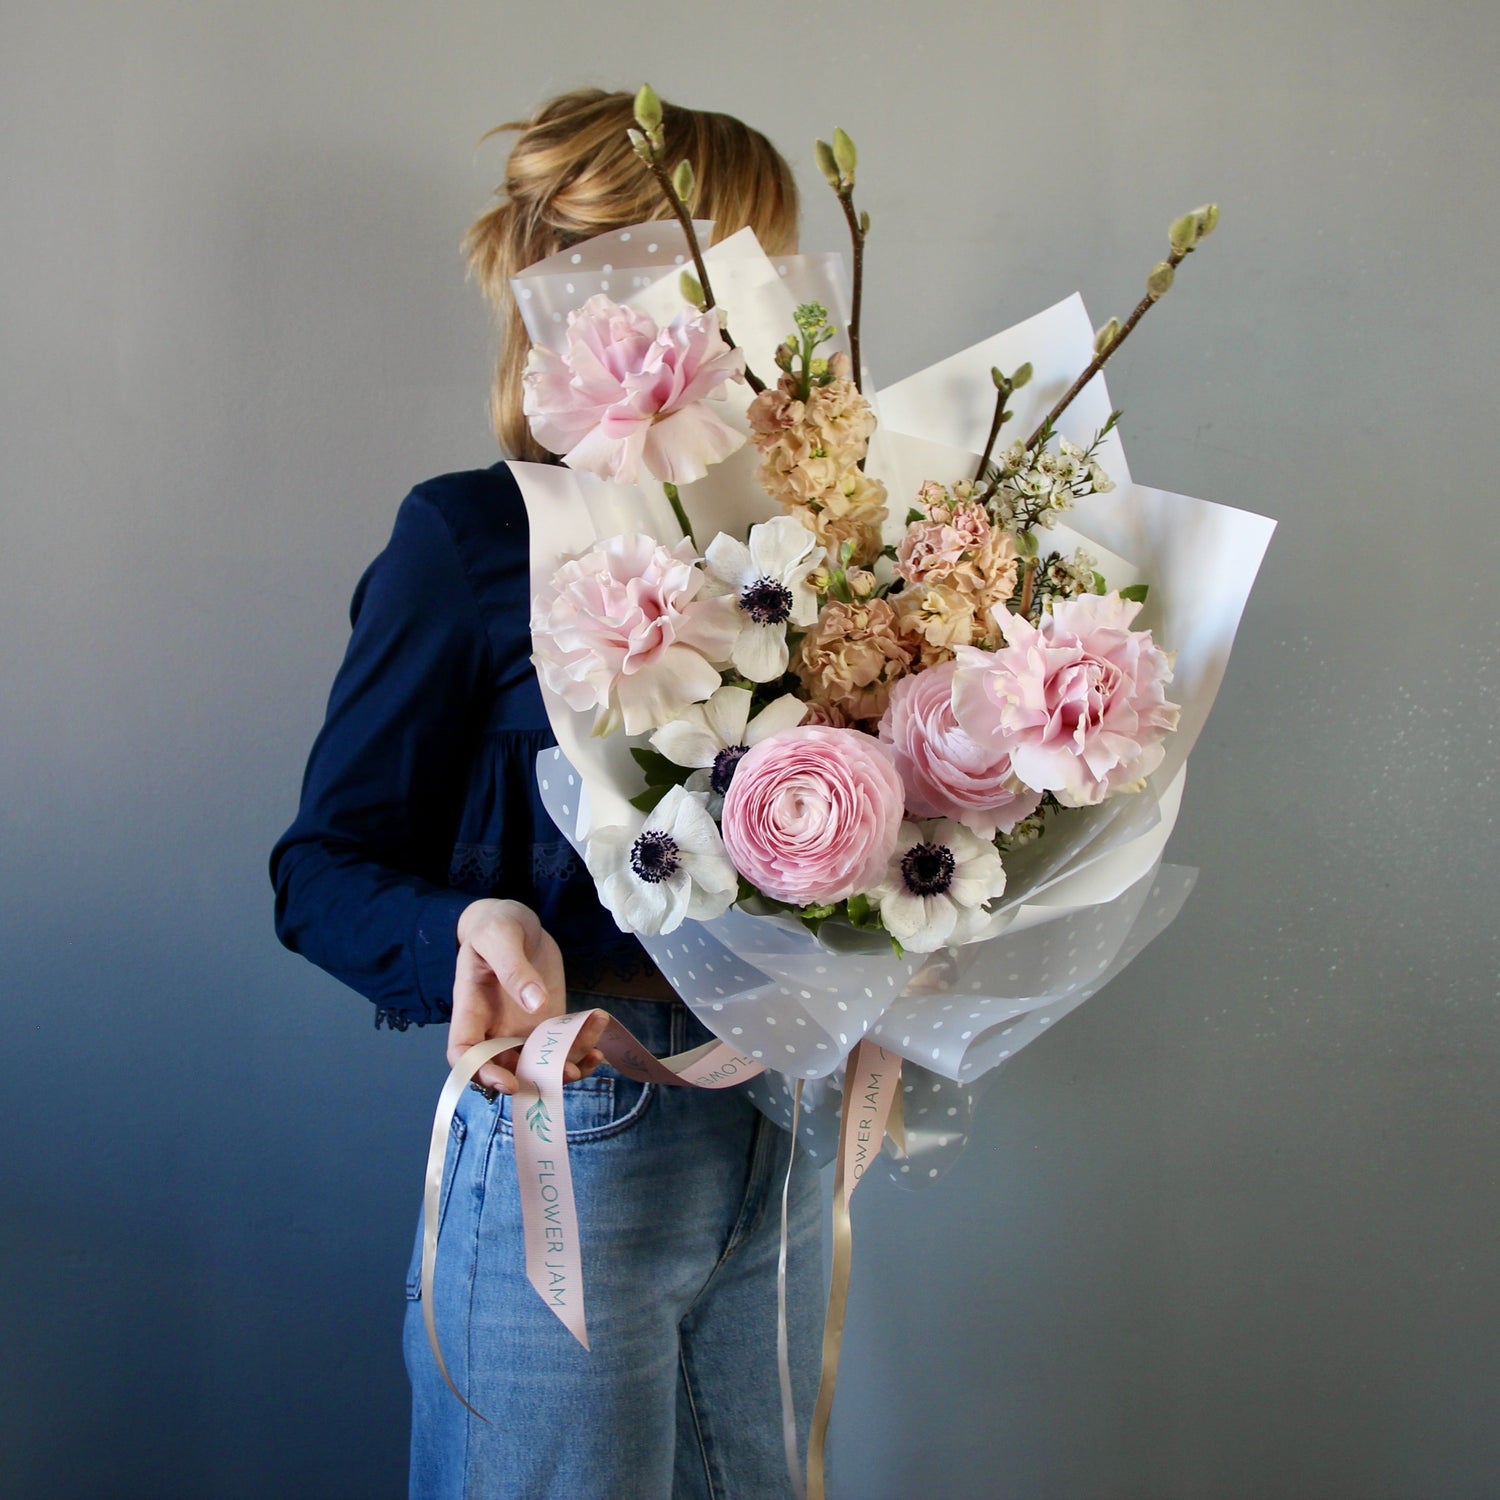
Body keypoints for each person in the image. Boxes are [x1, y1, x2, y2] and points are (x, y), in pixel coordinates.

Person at [269, 89, 821, 1499]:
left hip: (778, 1132)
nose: (760, 310)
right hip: (576, 1141)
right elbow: (320, 867)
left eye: (774, 264)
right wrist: (474, 924)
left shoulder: (805, 549)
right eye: (728, 265)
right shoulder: (472, 538)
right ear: (618, 291)